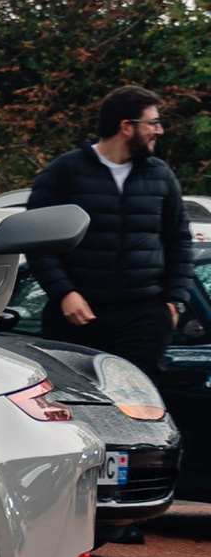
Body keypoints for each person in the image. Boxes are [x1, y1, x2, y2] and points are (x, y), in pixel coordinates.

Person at [26, 87, 192, 383]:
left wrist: (173, 301)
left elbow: (179, 240)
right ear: (126, 126)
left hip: (144, 316)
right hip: (77, 315)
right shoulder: (65, 171)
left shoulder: (160, 174)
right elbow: (37, 239)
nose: (160, 130)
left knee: (136, 402)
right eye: (153, 123)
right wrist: (64, 293)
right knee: (77, 401)